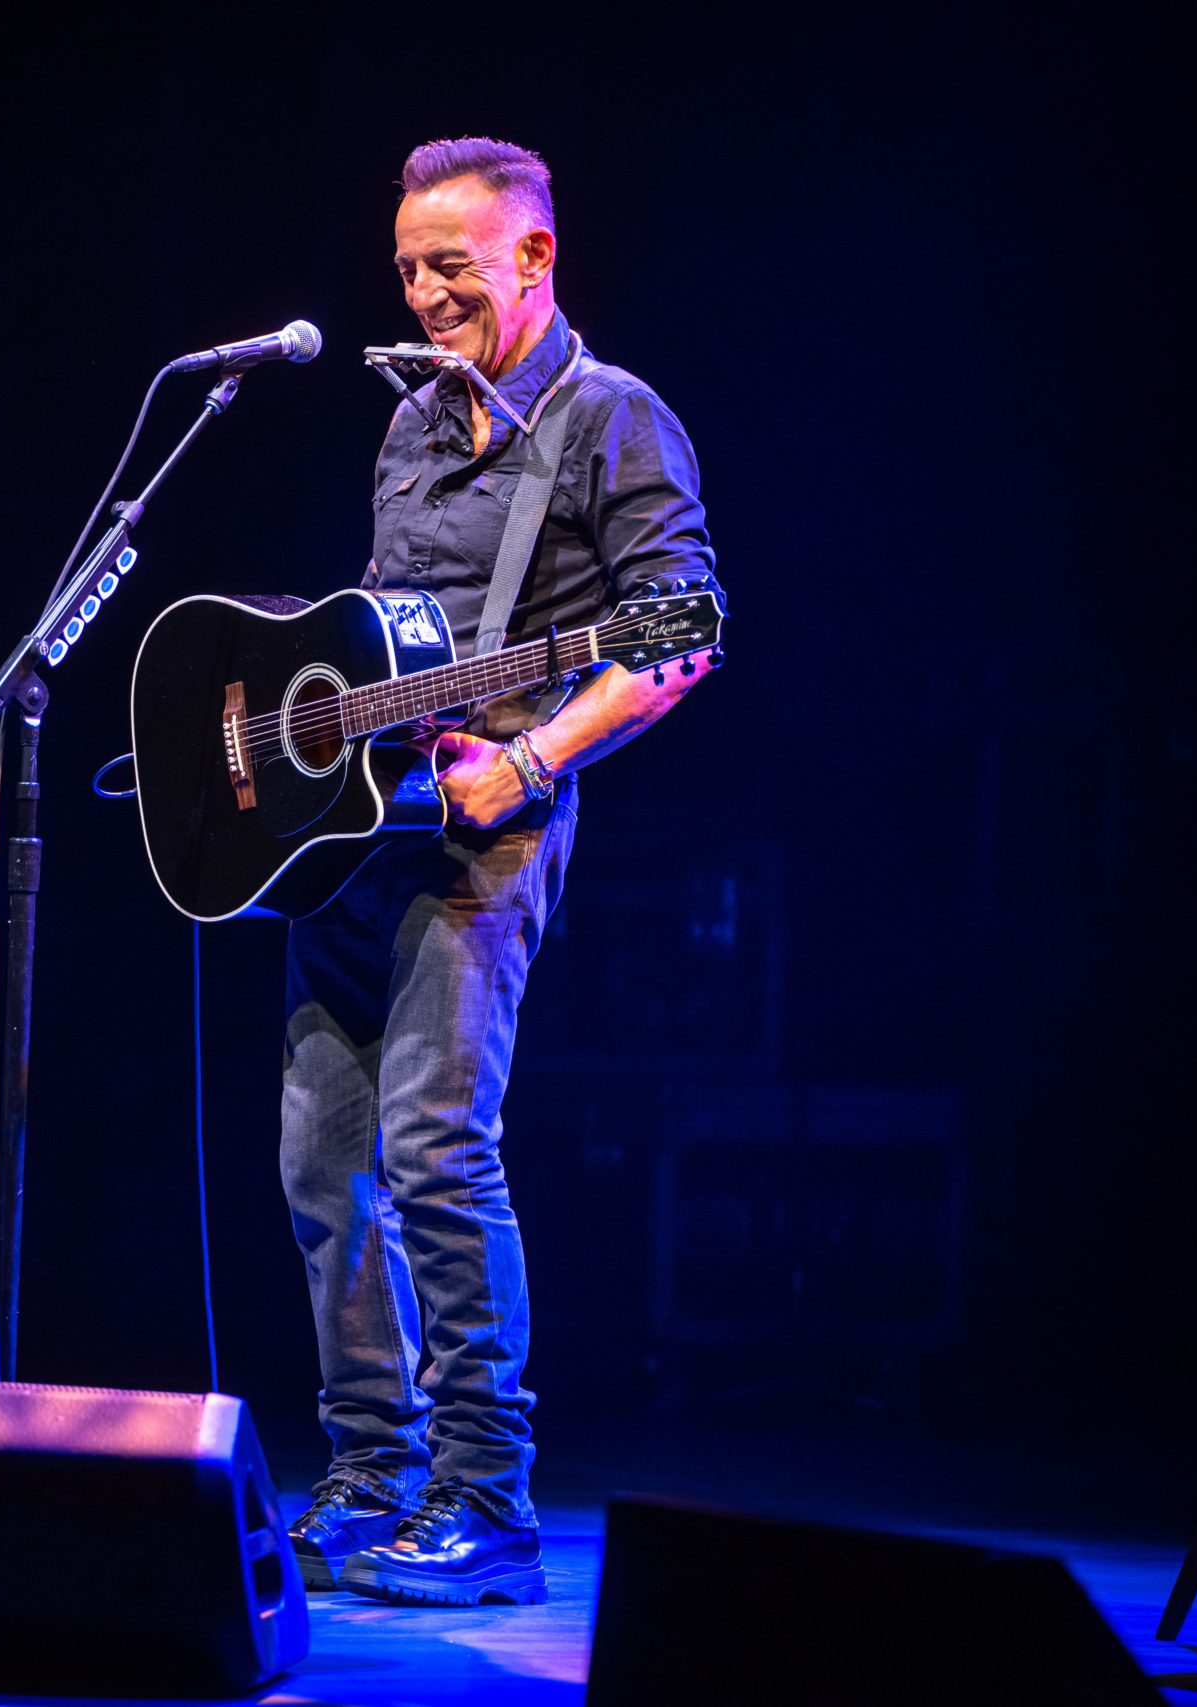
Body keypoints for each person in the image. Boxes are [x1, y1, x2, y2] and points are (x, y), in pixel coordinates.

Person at [279, 136, 723, 1607]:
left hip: (488, 833)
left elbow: (683, 637)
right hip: (356, 833)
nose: (423, 290)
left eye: (451, 266)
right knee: (324, 1169)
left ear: (535, 259)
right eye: (407, 265)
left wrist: (528, 763)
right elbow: (383, 635)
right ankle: (368, 1480)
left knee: (434, 1153)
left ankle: (486, 1499)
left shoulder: (613, 419)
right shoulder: (409, 422)